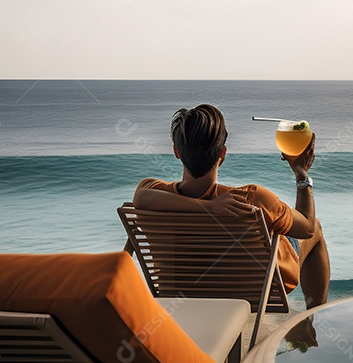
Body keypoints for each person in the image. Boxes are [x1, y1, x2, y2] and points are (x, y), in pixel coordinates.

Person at [133, 104, 330, 310]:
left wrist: (205, 207)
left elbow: (141, 197)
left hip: (178, 292)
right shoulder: (252, 198)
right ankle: (313, 318)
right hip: (261, 290)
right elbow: (306, 228)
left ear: (177, 152)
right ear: (223, 154)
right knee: (315, 228)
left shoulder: (153, 194)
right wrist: (301, 174)